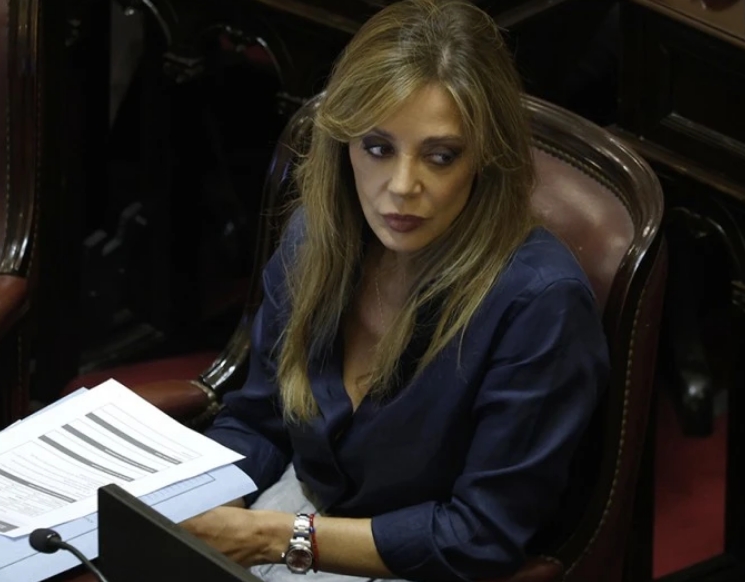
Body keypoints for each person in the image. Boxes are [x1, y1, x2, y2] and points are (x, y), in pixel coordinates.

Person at [183, 1, 609, 580]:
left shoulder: (540, 303)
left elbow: (478, 536)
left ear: (486, 156)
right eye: (378, 148)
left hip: (420, 562)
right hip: (296, 513)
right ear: (343, 145)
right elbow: (259, 420)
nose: (403, 187)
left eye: (441, 156)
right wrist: (201, 505)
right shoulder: (314, 238)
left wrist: (275, 537)